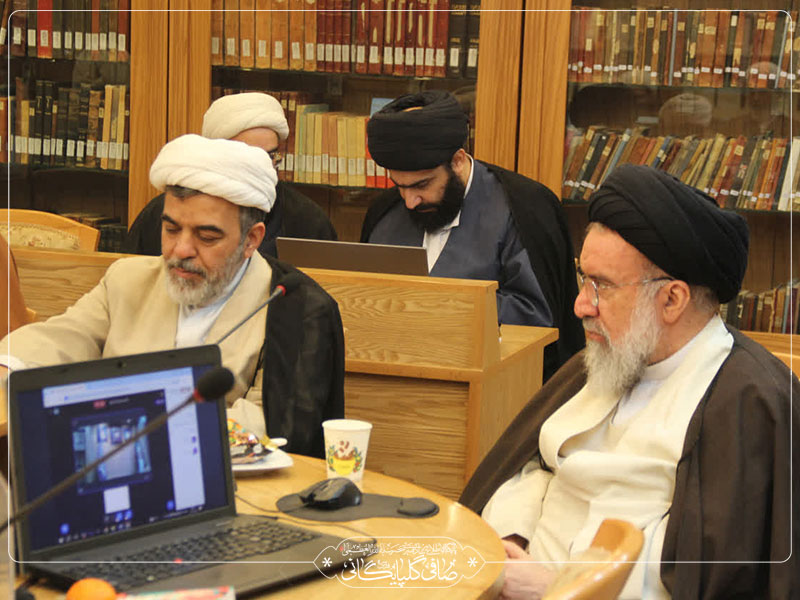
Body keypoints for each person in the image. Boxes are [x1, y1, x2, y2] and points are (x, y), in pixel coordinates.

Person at [460, 164, 798, 598]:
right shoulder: (606, 357)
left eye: (601, 286)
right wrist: (511, 537)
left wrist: (559, 589)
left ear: (672, 299)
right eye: (583, 278)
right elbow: (540, 465)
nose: (581, 305)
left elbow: (702, 576)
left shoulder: (748, 403)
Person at [2, 135, 345, 458]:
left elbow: (268, 426)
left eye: (206, 237)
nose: (181, 250)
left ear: (251, 240)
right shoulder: (128, 279)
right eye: (171, 229)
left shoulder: (293, 307)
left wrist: (131, 427)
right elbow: (55, 341)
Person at [361, 90, 584, 380]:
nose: (410, 202)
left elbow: (535, 315)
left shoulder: (522, 209)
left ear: (457, 161)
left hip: (498, 385)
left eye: (422, 185)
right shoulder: (385, 214)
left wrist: (438, 308)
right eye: (399, 186)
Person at [122, 92, 337, 258]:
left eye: (269, 156)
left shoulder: (308, 221)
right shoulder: (168, 213)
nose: (262, 167)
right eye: (249, 157)